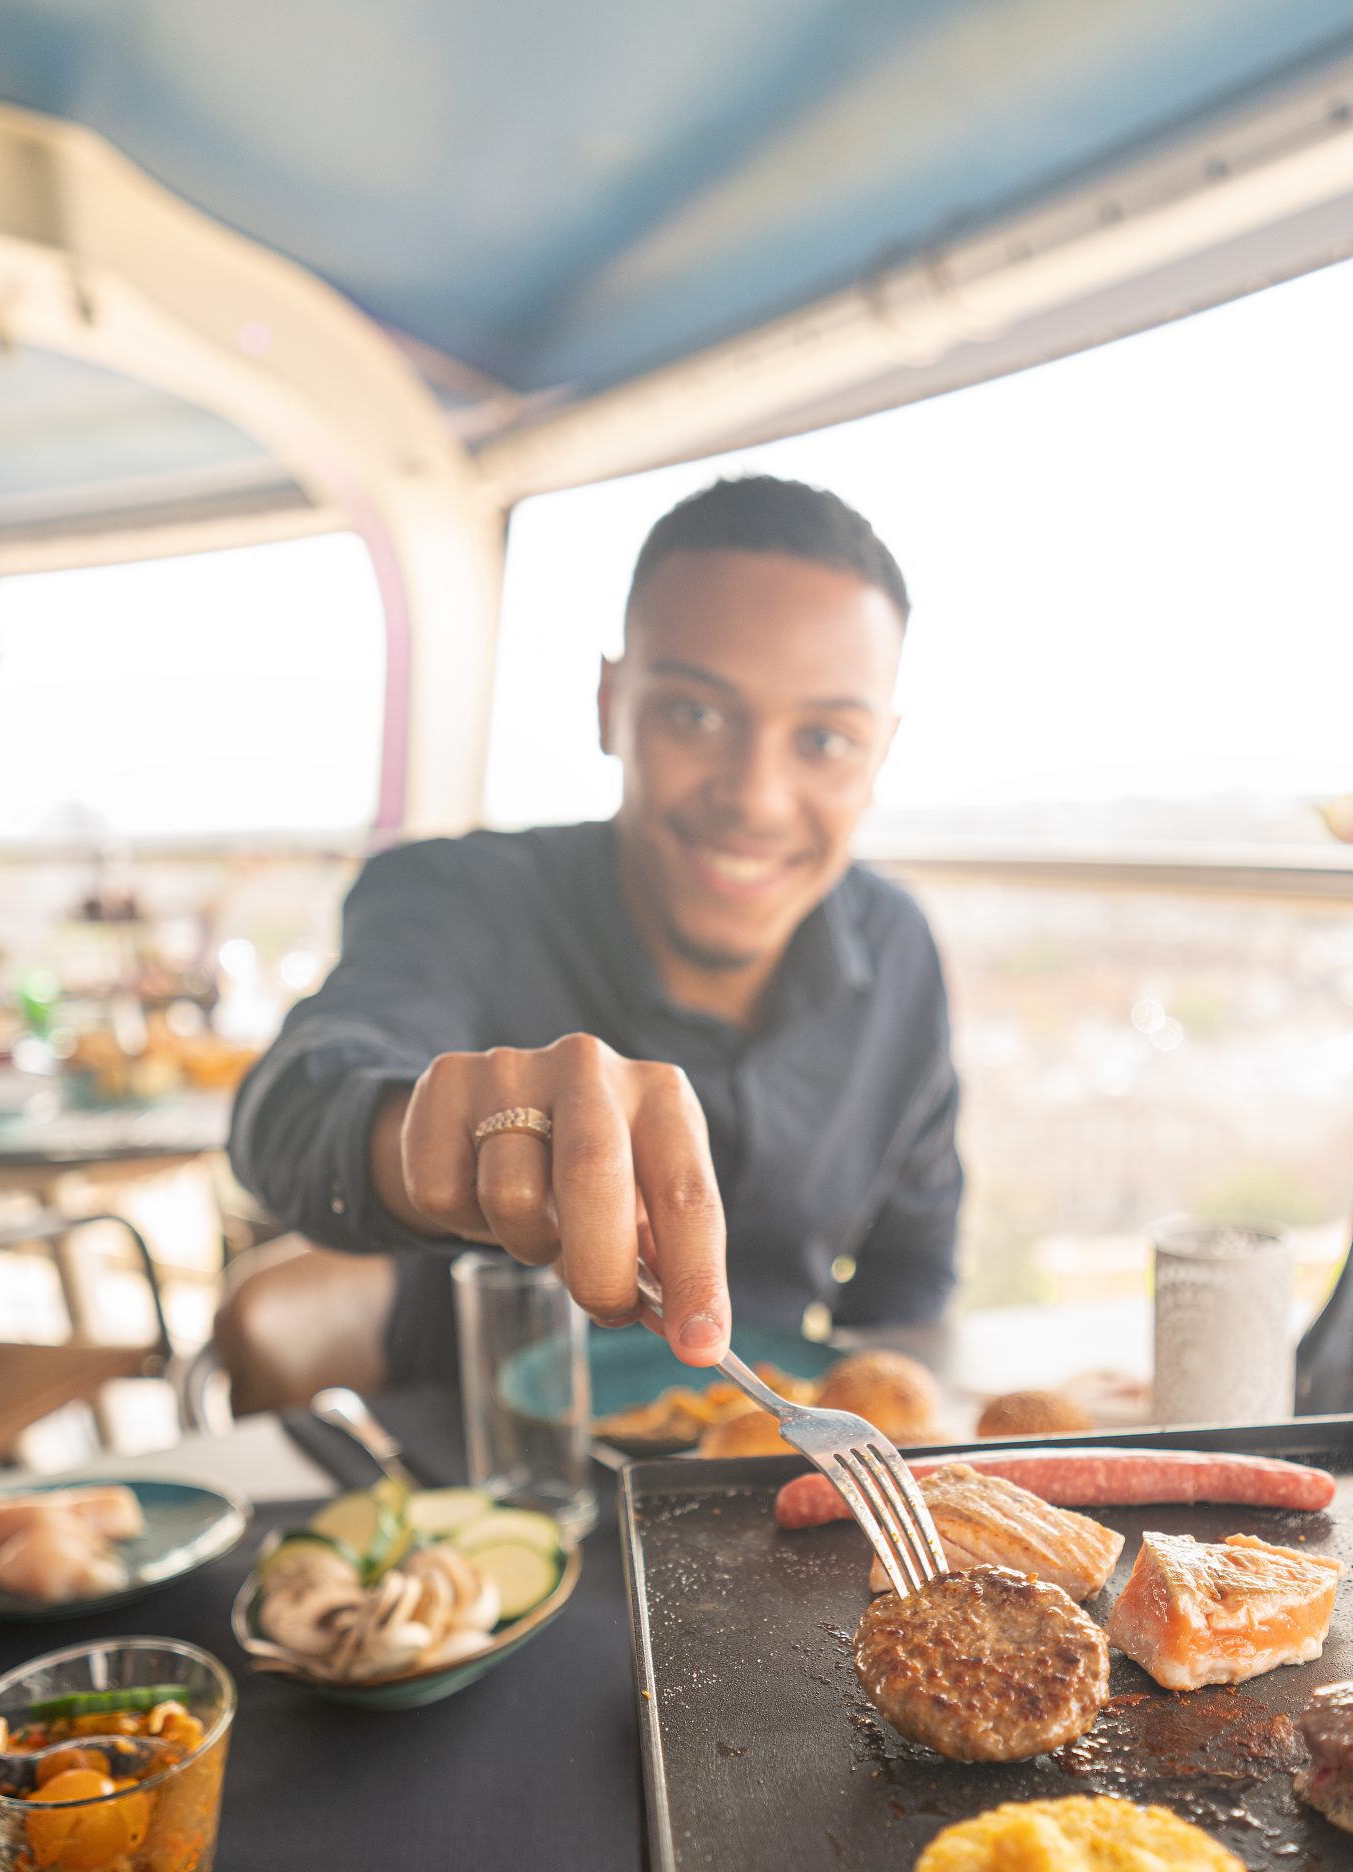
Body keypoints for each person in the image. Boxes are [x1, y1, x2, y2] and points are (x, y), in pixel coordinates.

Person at [229, 474, 962, 1384]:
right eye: (693, 714)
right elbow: (288, 1114)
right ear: (610, 703)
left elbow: (909, 1279)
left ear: (880, 752)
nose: (755, 798)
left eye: (824, 741)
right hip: (487, 1486)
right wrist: (450, 1127)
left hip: (768, 1485)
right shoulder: (461, 895)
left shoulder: (898, 949)